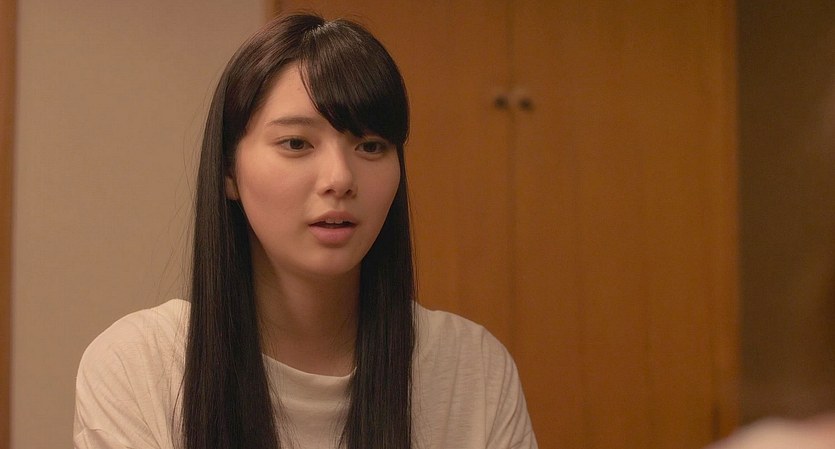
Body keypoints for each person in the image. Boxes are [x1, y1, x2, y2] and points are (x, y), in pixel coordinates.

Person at [73, 13, 538, 449]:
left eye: (370, 146)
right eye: (296, 143)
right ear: (229, 171)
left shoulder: (473, 370)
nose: (340, 178)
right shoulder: (138, 366)